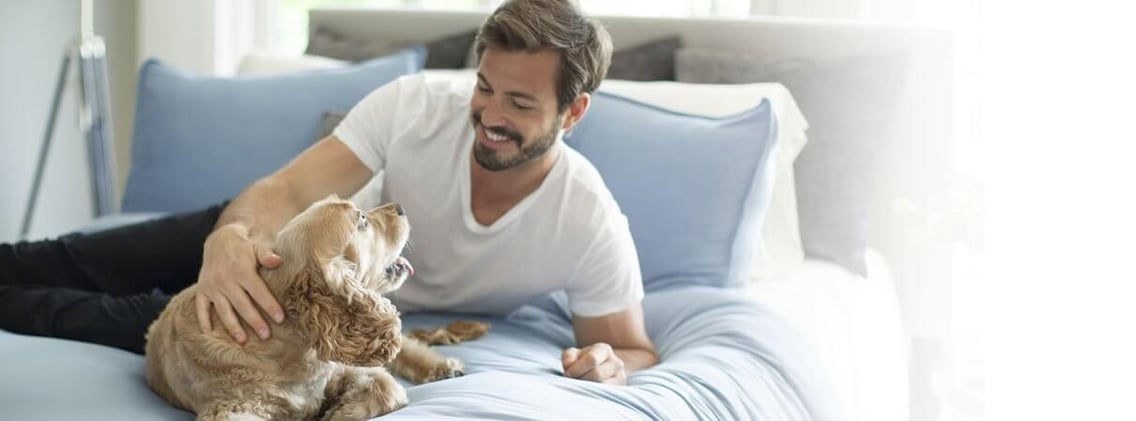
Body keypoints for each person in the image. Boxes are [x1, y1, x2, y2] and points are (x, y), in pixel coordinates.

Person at [0, 0, 657, 385]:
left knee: (102, 316)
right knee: (55, 259)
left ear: (573, 114)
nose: (488, 114)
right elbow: (287, 189)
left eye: (519, 102)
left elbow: (631, 345)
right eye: (484, 86)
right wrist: (229, 240)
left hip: (320, 308)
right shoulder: (416, 106)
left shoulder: (587, 218)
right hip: (277, 247)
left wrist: (607, 360)